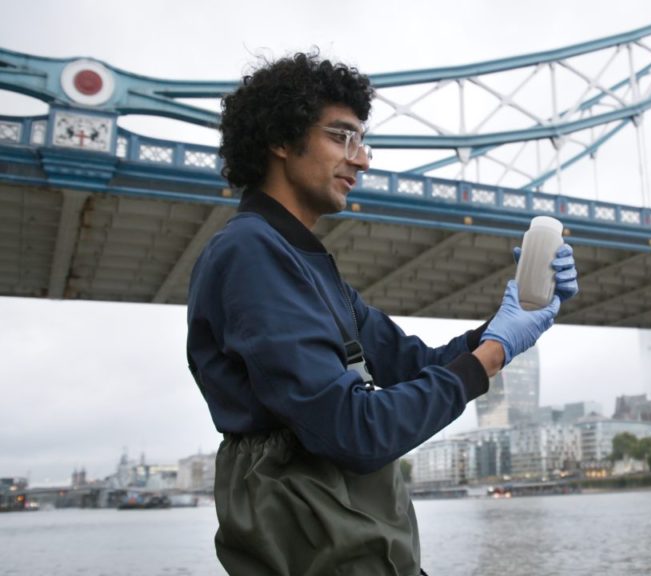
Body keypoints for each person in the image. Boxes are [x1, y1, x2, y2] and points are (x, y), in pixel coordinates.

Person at [185, 51, 579, 576]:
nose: (363, 160)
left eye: (361, 141)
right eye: (342, 137)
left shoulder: (303, 261)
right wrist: (492, 353)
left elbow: (414, 364)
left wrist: (511, 321)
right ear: (280, 139)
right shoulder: (251, 254)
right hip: (318, 553)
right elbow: (354, 431)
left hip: (356, 548)